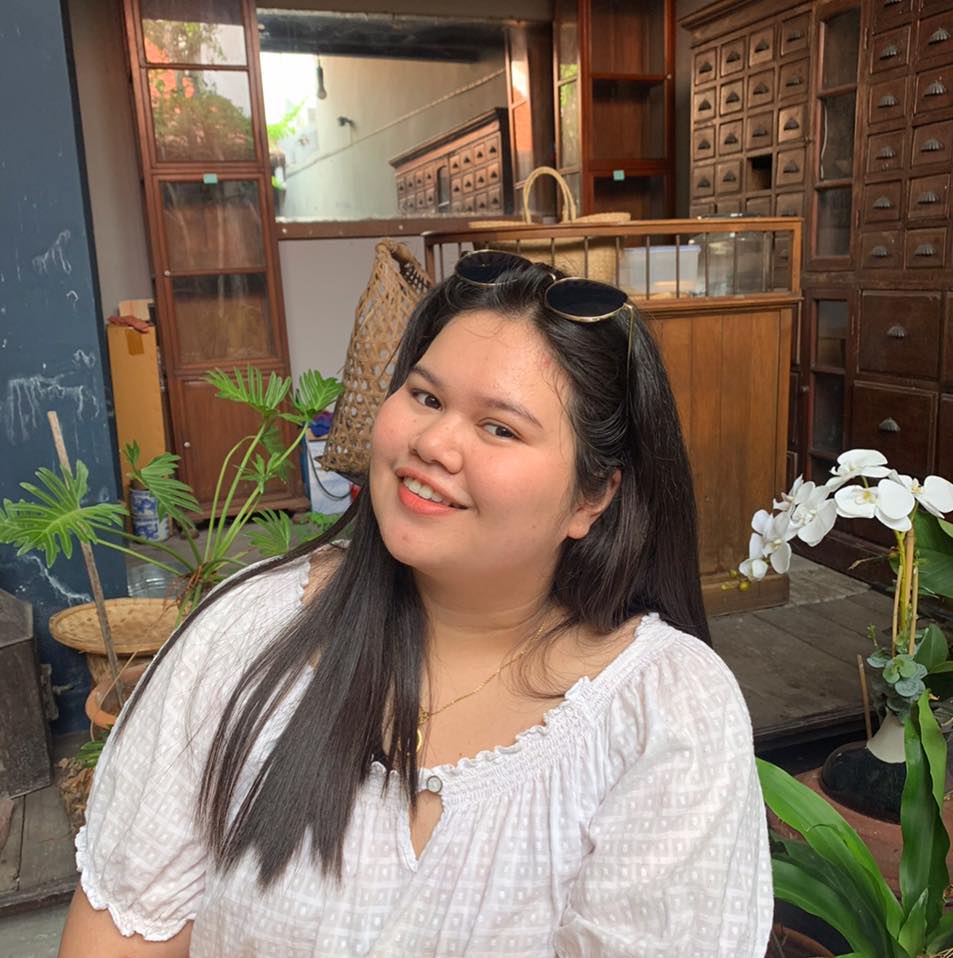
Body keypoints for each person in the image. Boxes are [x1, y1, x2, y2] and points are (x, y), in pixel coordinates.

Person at [59, 252, 773, 957]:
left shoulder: (664, 714)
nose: (432, 444)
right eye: (426, 398)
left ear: (592, 497)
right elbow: (120, 932)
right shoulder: (249, 628)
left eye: (499, 427)